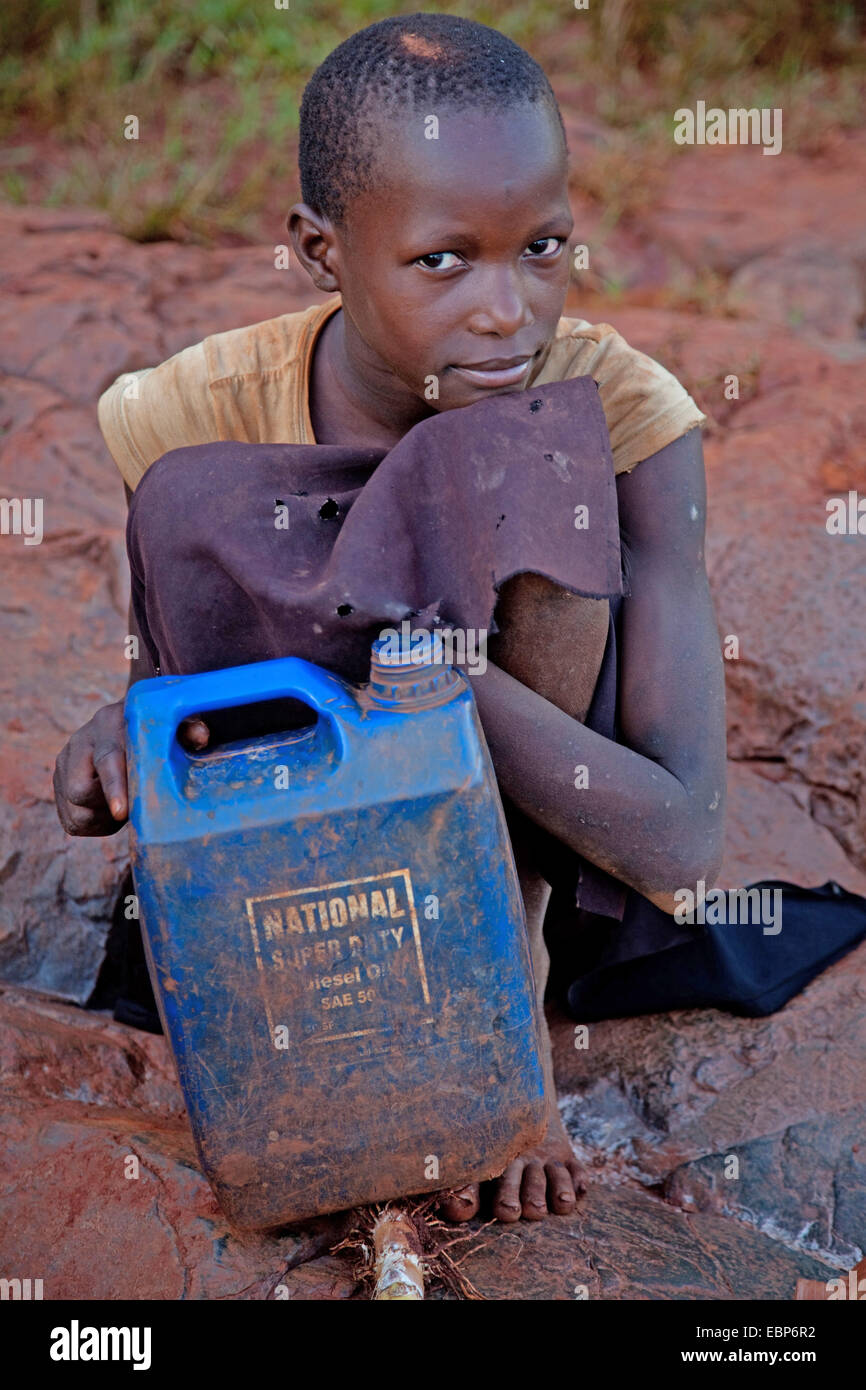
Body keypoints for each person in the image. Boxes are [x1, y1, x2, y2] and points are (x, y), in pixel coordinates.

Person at [53, 14, 724, 1224]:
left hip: (543, 851)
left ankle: (493, 1019)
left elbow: (677, 839)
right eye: (442, 261)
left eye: (543, 248)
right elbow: (185, 701)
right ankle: (297, 1029)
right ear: (319, 250)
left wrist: (441, 680)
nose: (505, 311)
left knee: (530, 470)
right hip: (314, 881)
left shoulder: (617, 410)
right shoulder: (190, 416)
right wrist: (120, 729)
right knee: (205, 498)